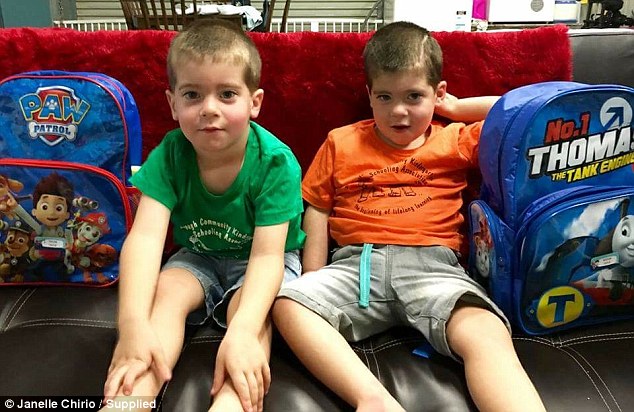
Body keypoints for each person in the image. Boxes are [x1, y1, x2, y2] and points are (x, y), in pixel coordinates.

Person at [272, 21, 546, 412]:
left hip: (435, 269)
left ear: (438, 93)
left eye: (414, 96)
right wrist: (313, 273)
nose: (398, 111)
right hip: (355, 267)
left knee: (486, 330)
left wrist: (455, 109)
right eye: (384, 97)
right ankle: (373, 400)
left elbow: (527, 113)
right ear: (369, 95)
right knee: (288, 303)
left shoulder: (454, 138)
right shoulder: (341, 141)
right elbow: (317, 206)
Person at [102, 19, 305, 412]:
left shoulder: (276, 163)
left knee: (252, 319)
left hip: (262, 261)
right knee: (166, 295)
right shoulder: (171, 153)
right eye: (193, 95)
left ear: (254, 103)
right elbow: (145, 239)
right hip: (197, 256)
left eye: (227, 94)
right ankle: (129, 399)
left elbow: (267, 257)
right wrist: (131, 325)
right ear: (173, 104)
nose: (209, 109)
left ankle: (231, 403)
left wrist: (242, 330)